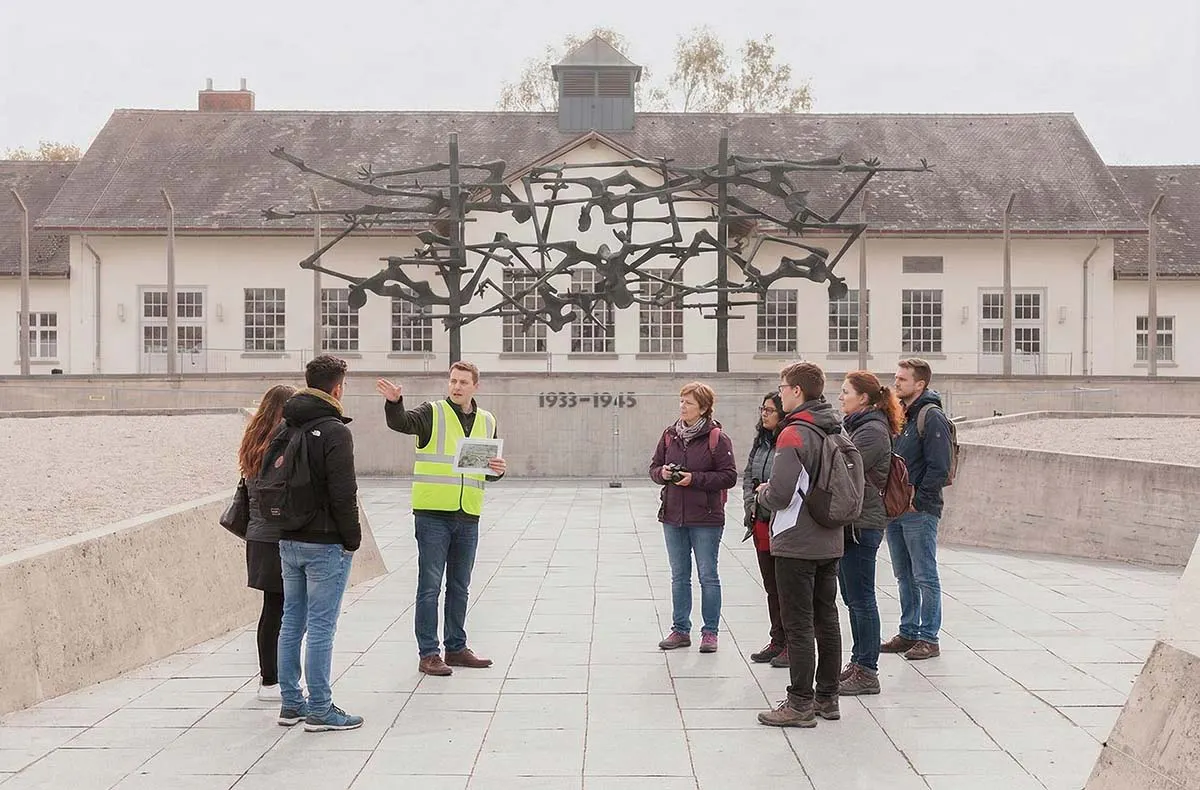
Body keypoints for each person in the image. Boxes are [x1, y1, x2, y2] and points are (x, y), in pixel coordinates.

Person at [376, 361, 507, 677]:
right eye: (453, 381)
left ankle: (456, 647)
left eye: (463, 382)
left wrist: (496, 471)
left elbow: (481, 471)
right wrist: (394, 403)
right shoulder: (431, 413)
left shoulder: (487, 421)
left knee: (460, 586)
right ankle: (429, 654)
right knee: (430, 586)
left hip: (468, 515)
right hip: (433, 515)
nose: (457, 387)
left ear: (476, 386)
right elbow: (401, 423)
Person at [275, 355, 363, 732]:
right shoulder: (334, 430)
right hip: (324, 542)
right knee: (322, 626)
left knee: (291, 620)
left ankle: (291, 703)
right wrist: (352, 538)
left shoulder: (287, 425)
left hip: (288, 539)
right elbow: (344, 492)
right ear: (338, 387)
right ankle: (321, 708)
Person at [756, 362, 844, 728]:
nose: (779, 393)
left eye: (782, 387)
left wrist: (762, 494)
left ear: (797, 391)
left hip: (796, 540)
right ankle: (828, 697)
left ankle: (799, 703)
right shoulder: (834, 427)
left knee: (798, 623)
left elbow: (780, 494)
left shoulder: (793, 433)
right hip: (830, 536)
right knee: (827, 618)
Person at [650, 382, 738, 653]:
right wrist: (662, 474)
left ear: (703, 407)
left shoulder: (717, 438)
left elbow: (729, 476)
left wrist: (695, 479)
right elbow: (653, 467)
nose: (682, 407)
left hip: (706, 518)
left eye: (688, 403)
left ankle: (710, 632)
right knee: (679, 576)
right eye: (681, 401)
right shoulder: (669, 435)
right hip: (673, 516)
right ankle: (680, 630)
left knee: (708, 575)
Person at [836, 371, 905, 695]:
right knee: (853, 597)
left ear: (863, 398)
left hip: (863, 523)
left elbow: (844, 469)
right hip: (854, 521)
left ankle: (868, 669)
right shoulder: (858, 426)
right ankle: (858, 660)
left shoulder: (872, 431)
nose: (841, 397)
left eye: (846, 391)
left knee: (862, 598)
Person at [881, 358, 952, 661]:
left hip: (918, 511)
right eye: (896, 378)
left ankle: (928, 637)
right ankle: (909, 630)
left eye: (902, 379)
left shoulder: (930, 416)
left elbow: (940, 466)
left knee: (924, 574)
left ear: (920, 384)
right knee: (903, 574)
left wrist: (918, 500)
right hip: (896, 509)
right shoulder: (902, 416)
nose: (896, 383)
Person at [237, 383, 296, 702]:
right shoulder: (282, 440)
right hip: (277, 535)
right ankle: (273, 680)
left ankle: (269, 678)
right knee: (283, 609)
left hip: (257, 536)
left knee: (272, 608)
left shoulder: (253, 437)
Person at [743, 391, 789, 668]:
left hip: (782, 523)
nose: (764, 413)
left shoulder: (788, 440)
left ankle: (793, 644)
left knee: (787, 588)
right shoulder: (761, 441)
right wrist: (751, 501)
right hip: (760, 520)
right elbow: (748, 474)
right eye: (763, 408)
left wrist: (766, 495)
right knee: (771, 586)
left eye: (770, 410)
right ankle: (778, 639)